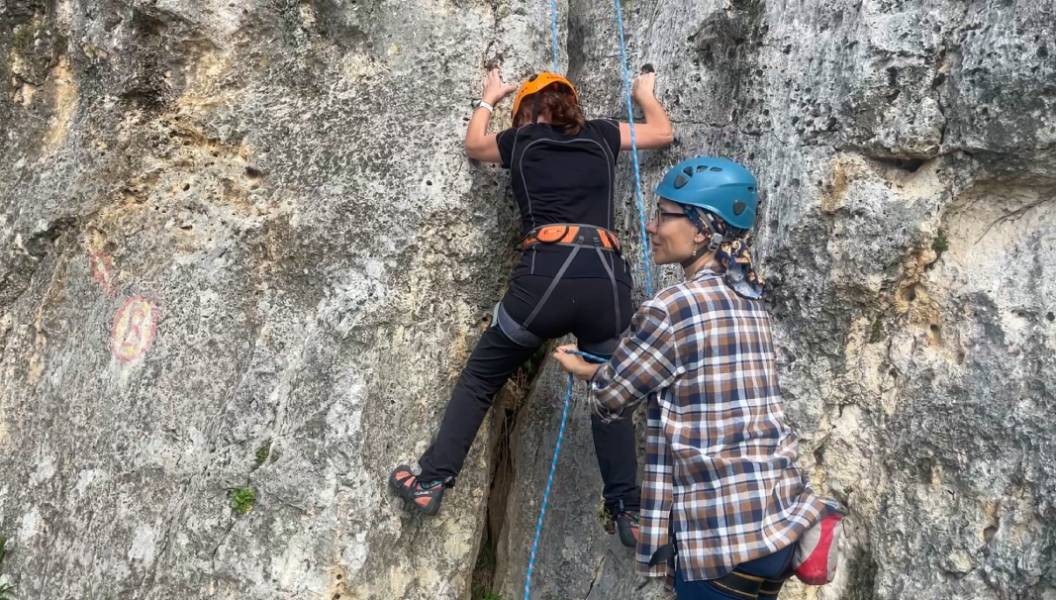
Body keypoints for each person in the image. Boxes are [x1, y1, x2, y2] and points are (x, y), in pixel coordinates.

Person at [389, 66, 674, 547]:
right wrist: (645, 94)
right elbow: (662, 133)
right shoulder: (602, 134)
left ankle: (432, 481)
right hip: (605, 281)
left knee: (482, 378)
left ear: (525, 111)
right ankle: (629, 511)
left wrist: (488, 98)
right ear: (569, 104)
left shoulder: (519, 140)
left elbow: (474, 146)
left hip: (544, 277)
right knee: (610, 394)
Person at [553, 157, 836, 599]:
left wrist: (586, 371)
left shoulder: (673, 307)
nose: (651, 226)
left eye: (664, 215)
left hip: (721, 533)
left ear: (703, 229)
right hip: (776, 519)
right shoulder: (749, 298)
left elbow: (612, 396)